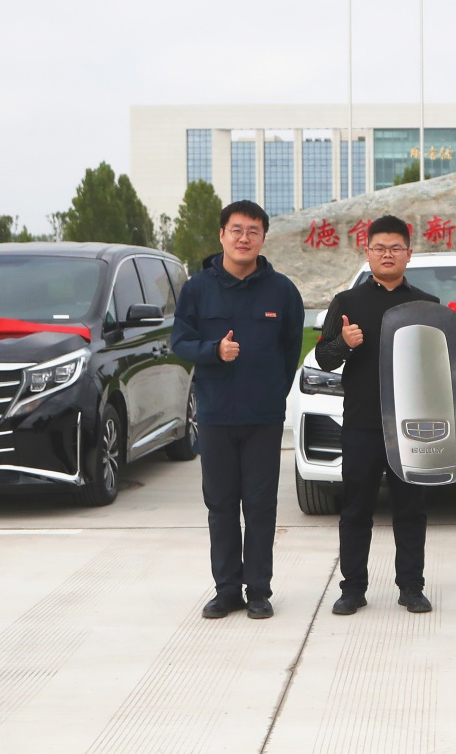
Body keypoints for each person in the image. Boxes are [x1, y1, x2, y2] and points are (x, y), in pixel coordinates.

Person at [171, 200, 304, 620]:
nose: (244, 238)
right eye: (236, 230)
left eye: (253, 231)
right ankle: (226, 590)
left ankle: (259, 590)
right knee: (221, 506)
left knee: (261, 507)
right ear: (222, 235)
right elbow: (180, 342)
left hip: (263, 417)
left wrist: (273, 394)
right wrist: (215, 350)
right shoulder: (197, 288)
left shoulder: (282, 290)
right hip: (215, 415)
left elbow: (291, 349)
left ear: (263, 238)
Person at [316, 215, 438, 616]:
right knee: (356, 509)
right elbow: (324, 358)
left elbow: (438, 363)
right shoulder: (347, 302)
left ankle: (412, 587)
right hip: (362, 424)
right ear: (367, 252)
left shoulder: (426, 304)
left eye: (396, 248)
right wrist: (344, 343)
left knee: (411, 509)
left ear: (409, 254)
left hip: (412, 426)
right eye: (380, 248)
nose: (388, 255)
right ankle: (352, 589)